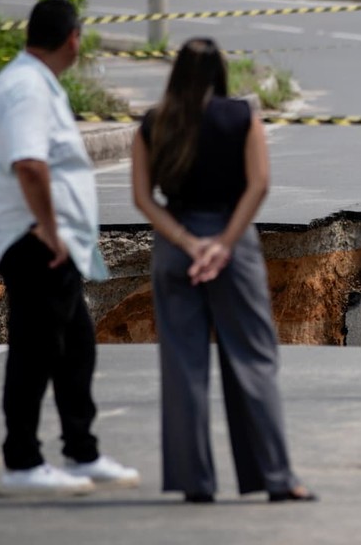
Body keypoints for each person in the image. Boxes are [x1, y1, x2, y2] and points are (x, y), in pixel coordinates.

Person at [131, 37, 315, 504]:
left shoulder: (154, 123)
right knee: (253, 359)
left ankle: (196, 482)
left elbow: (142, 198)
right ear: (220, 72)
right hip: (232, 244)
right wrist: (222, 244)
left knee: (183, 365)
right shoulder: (242, 117)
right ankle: (276, 477)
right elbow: (259, 185)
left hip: (176, 247)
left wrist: (189, 243)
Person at [0, 0, 141, 495]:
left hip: (53, 242)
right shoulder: (27, 87)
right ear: (72, 37)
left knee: (75, 350)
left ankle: (81, 451)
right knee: (35, 350)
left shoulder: (32, 81)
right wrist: (49, 228)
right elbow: (30, 164)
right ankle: (22, 461)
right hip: (36, 243)